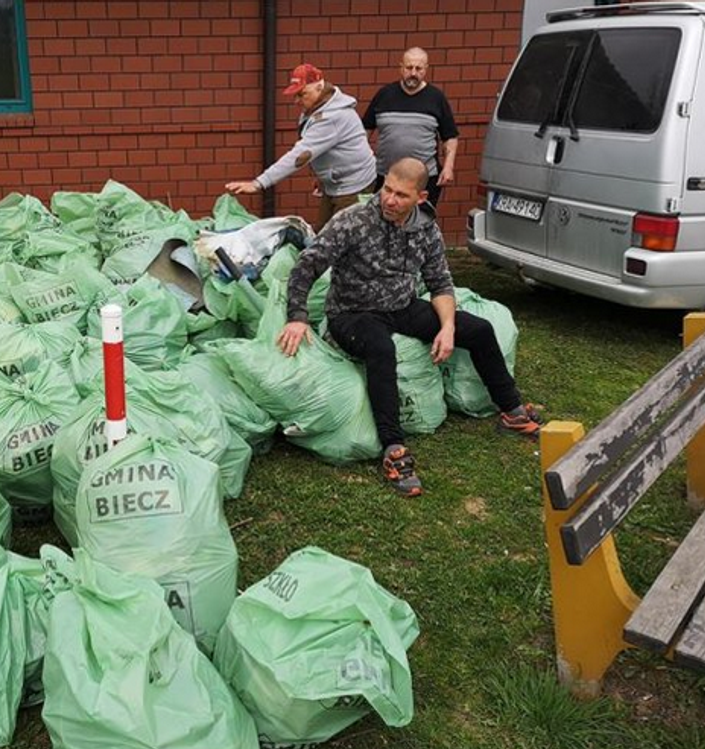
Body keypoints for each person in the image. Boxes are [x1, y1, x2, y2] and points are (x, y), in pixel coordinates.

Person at [277, 158, 541, 497]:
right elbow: (306, 266)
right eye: (387, 189)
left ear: (420, 197)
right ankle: (393, 449)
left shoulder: (426, 227)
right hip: (352, 313)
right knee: (381, 349)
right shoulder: (353, 221)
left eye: (401, 195)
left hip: (402, 306)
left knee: (479, 329)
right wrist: (297, 316)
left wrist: (447, 329)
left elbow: (440, 283)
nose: (389, 200)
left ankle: (512, 410)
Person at [226, 63, 375, 230]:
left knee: (339, 240)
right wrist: (323, 174)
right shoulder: (319, 107)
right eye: (295, 95)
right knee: (323, 235)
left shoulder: (332, 116)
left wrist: (259, 183)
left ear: (320, 87)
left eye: (302, 94)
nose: (297, 101)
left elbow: (299, 155)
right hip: (336, 184)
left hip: (354, 187)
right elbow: (324, 147)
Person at [362, 48, 458, 209]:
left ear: (426, 69)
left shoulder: (436, 98)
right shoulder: (384, 95)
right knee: (384, 223)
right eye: (409, 68)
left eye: (418, 68)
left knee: (418, 224)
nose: (413, 73)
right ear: (401, 67)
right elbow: (364, 132)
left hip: (425, 180)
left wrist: (448, 167)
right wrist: (364, 161)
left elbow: (450, 137)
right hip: (385, 178)